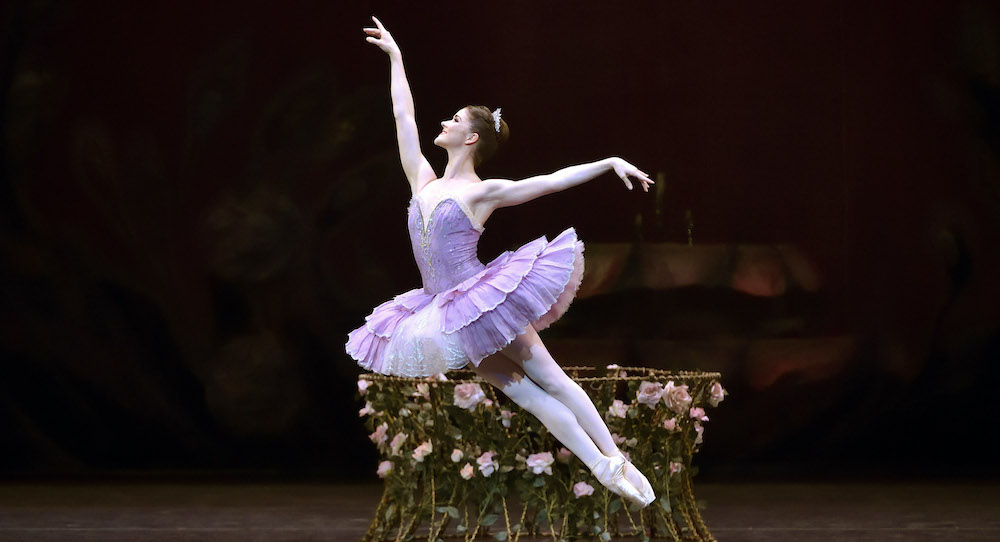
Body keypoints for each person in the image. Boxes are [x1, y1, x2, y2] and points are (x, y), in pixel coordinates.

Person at [348, 16, 656, 508]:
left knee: (551, 378)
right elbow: (402, 118)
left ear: (471, 139)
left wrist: (608, 162)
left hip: (482, 301)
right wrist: (397, 58)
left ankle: (617, 457)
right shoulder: (423, 182)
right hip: (445, 310)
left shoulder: (481, 193)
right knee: (525, 395)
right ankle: (601, 466)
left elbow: (550, 180)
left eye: (454, 120)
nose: (443, 122)